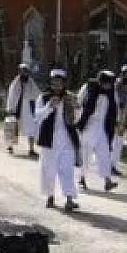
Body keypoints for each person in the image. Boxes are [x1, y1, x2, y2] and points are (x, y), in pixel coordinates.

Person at [35, 69, 81, 212]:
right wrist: (49, 107)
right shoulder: (43, 98)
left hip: (66, 139)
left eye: (59, 83)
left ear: (63, 84)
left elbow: (77, 118)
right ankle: (50, 197)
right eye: (54, 82)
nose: (56, 86)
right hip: (48, 139)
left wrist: (77, 108)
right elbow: (37, 116)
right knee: (48, 169)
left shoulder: (70, 97)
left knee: (67, 169)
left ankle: (69, 199)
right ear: (50, 83)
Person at [77, 69, 119, 192]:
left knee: (104, 153)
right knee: (86, 154)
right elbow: (79, 103)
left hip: (101, 127)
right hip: (89, 125)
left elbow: (114, 107)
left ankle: (107, 181)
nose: (109, 85)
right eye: (107, 82)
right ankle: (82, 178)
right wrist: (79, 121)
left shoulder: (112, 92)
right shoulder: (88, 88)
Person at [5, 62, 41, 156]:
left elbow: (37, 94)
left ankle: (31, 149)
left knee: (31, 128)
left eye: (25, 71)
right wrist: (10, 108)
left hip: (27, 109)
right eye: (22, 71)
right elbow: (11, 96)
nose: (23, 73)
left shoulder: (31, 82)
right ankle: (10, 146)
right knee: (12, 126)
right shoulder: (15, 83)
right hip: (15, 108)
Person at [109, 66, 127, 177]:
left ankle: (114, 165)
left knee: (119, 141)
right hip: (114, 114)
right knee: (112, 140)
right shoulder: (115, 84)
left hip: (124, 114)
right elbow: (113, 99)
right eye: (126, 73)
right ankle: (108, 164)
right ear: (122, 73)